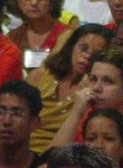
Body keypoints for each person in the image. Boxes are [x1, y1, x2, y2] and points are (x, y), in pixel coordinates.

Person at [26, 24, 113, 152]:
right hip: (22, 150)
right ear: (71, 47)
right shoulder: (39, 77)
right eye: (83, 48)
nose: (87, 56)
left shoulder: (95, 93)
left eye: (96, 54)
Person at [0, 80, 44, 168]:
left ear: (34, 123)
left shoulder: (43, 165)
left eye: (17, 113)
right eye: (1, 111)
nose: (6, 121)